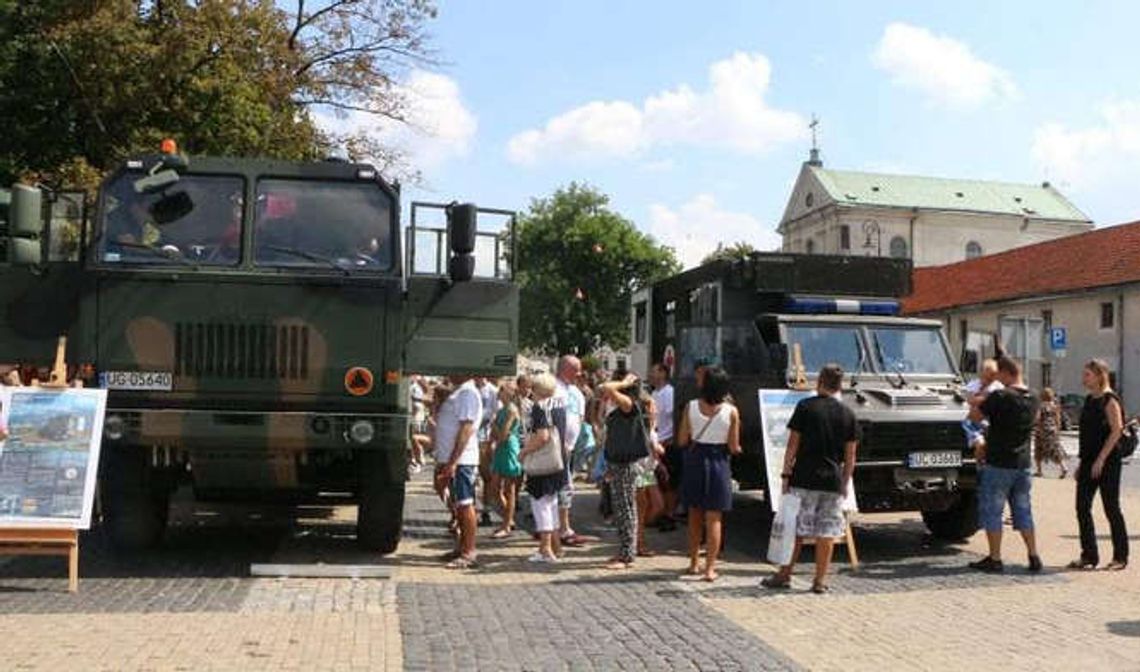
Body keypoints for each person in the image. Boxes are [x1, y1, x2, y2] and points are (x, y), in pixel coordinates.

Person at [762, 364, 856, 593]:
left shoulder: (805, 407)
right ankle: (819, 581)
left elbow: (792, 445)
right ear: (840, 385)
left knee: (796, 530)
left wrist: (785, 474)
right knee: (827, 532)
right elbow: (850, 455)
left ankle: (784, 575)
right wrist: (845, 482)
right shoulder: (848, 413)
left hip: (804, 477)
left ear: (820, 381)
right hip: (832, 481)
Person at [966, 356, 1042, 574]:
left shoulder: (1000, 396)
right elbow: (1035, 421)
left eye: (999, 374)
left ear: (1007, 373)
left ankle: (995, 558)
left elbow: (974, 416)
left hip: (999, 462)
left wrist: (977, 402)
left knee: (993, 511)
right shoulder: (1034, 397)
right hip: (1023, 464)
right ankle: (1033, 555)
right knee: (1023, 511)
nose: (997, 379)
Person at [677, 366, 741, 583]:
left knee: (694, 515)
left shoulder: (691, 406)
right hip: (719, 462)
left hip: (695, 461)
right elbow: (733, 446)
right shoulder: (731, 411)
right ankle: (710, 568)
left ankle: (693, 562)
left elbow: (682, 440)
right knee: (714, 519)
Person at [1070, 359, 1129, 571]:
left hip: (1108, 462)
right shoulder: (1089, 400)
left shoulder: (1109, 400)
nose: (1084, 378)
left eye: (1088, 375)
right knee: (1082, 507)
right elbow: (1088, 435)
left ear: (1099, 376)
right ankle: (1089, 555)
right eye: (1084, 374)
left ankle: (1120, 556)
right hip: (1088, 461)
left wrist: (1101, 459)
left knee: (1111, 507)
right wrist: (1082, 463)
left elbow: (1116, 430)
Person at [600, 371, 652, 569]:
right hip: (617, 462)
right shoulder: (624, 406)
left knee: (626, 510)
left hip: (625, 463)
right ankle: (625, 551)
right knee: (622, 508)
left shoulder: (629, 404)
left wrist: (621, 383)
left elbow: (606, 388)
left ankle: (627, 555)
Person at [434, 375, 483, 569]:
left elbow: (466, 428)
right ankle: (462, 546)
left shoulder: (467, 393)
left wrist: (453, 461)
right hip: (453, 460)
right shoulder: (460, 391)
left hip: (462, 461)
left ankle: (469, 552)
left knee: (465, 504)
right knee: (457, 504)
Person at [519, 373, 569, 563]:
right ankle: (556, 547)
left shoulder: (539, 407)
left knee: (541, 504)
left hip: (543, 462)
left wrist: (524, 451)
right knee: (552, 503)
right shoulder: (559, 405)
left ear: (536, 389)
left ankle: (545, 549)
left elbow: (542, 436)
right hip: (559, 461)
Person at [554, 356, 588, 548]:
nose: (579, 374)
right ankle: (561, 529)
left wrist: (572, 444)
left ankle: (559, 527)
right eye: (576, 369)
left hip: (570, 448)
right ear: (565, 369)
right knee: (561, 487)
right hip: (554, 448)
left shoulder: (577, 393)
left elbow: (579, 419)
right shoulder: (553, 389)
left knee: (565, 487)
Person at [490, 380, 524, 539]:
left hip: (509, 448)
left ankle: (506, 524)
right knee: (495, 488)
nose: (499, 391)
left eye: (502, 389)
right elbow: (497, 434)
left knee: (509, 489)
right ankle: (508, 519)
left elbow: (503, 434)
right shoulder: (502, 409)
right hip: (501, 448)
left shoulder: (511, 409)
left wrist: (494, 426)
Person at [650, 362, 678, 532]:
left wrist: (669, 439)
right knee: (659, 481)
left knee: (669, 482)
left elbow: (673, 418)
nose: (650, 375)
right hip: (656, 442)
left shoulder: (669, 392)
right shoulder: (654, 393)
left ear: (663, 373)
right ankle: (660, 512)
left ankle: (670, 515)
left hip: (667, 443)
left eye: (654, 372)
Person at [961, 359, 1003, 454]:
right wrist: (983, 397)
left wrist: (978, 399)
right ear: (981, 374)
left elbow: (992, 402)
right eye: (986, 376)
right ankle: (977, 439)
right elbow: (968, 400)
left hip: (988, 418)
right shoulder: (973, 384)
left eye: (992, 376)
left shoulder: (998, 387)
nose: (989, 380)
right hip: (973, 417)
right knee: (964, 420)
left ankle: (977, 439)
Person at [475, 377, 499, 527]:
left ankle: (486, 511)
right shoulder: (470, 388)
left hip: (484, 439)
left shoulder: (492, 391)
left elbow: (494, 414)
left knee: (486, 476)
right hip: (470, 438)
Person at [1034, 387, 1067, 478]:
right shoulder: (1055, 406)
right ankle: (1063, 467)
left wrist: (1036, 425)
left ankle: (1039, 471)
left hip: (1042, 430)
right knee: (1055, 449)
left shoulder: (1041, 406)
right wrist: (1058, 430)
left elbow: (1037, 418)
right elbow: (1058, 419)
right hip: (1053, 430)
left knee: (1038, 449)